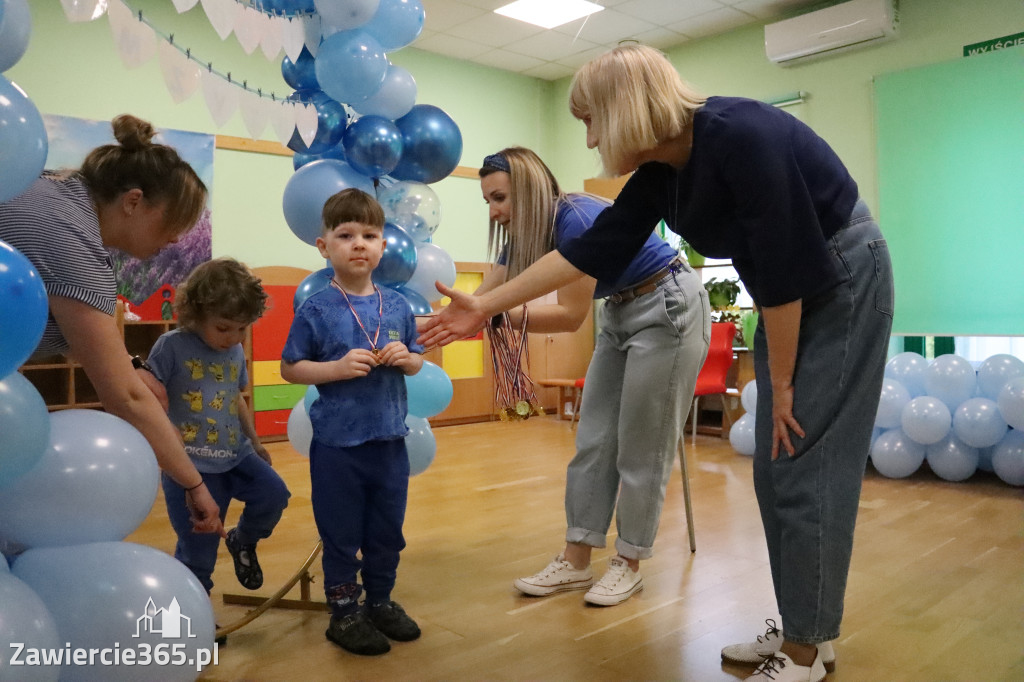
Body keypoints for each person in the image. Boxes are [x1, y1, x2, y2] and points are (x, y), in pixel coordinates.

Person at [419, 44, 893, 682]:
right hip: (788, 290)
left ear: (624, 109)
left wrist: (780, 382)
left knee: (807, 464)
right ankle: (805, 627)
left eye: (591, 121)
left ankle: (806, 652)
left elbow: (784, 265)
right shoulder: (661, 175)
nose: (590, 139)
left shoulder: (743, 133)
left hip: (840, 279)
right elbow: (591, 252)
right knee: (774, 471)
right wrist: (483, 306)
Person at [474, 147, 709, 606]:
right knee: (594, 439)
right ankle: (576, 560)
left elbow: (569, 316)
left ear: (529, 190)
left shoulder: (577, 220)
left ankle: (628, 563)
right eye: (487, 201)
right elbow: (482, 297)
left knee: (642, 446)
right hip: (621, 309)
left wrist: (496, 317)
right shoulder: (528, 232)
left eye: (499, 198)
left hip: (667, 303)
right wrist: (442, 322)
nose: (494, 211)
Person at [0, 114, 224, 536]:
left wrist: (133, 366)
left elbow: (84, 340)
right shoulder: (74, 243)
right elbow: (126, 398)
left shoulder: (53, 190)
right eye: (174, 221)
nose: (177, 238)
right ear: (133, 201)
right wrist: (194, 484)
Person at [280, 188, 425, 657]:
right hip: (338, 447)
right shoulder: (316, 309)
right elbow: (290, 368)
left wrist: (407, 359)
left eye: (369, 235)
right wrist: (336, 369)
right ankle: (344, 613)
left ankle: (380, 601)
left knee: (387, 530)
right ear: (324, 247)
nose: (358, 243)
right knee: (341, 534)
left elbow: (418, 361)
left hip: (389, 442)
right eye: (345, 235)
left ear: (383, 245)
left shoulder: (398, 306)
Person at [146, 257, 290, 595]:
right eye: (224, 328)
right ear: (196, 313)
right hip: (191, 466)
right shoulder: (171, 346)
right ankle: (194, 615)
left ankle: (243, 539)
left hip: (237, 455)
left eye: (242, 328)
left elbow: (235, 397)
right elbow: (148, 396)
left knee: (274, 495)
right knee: (198, 553)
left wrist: (256, 441)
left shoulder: (235, 350)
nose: (234, 337)